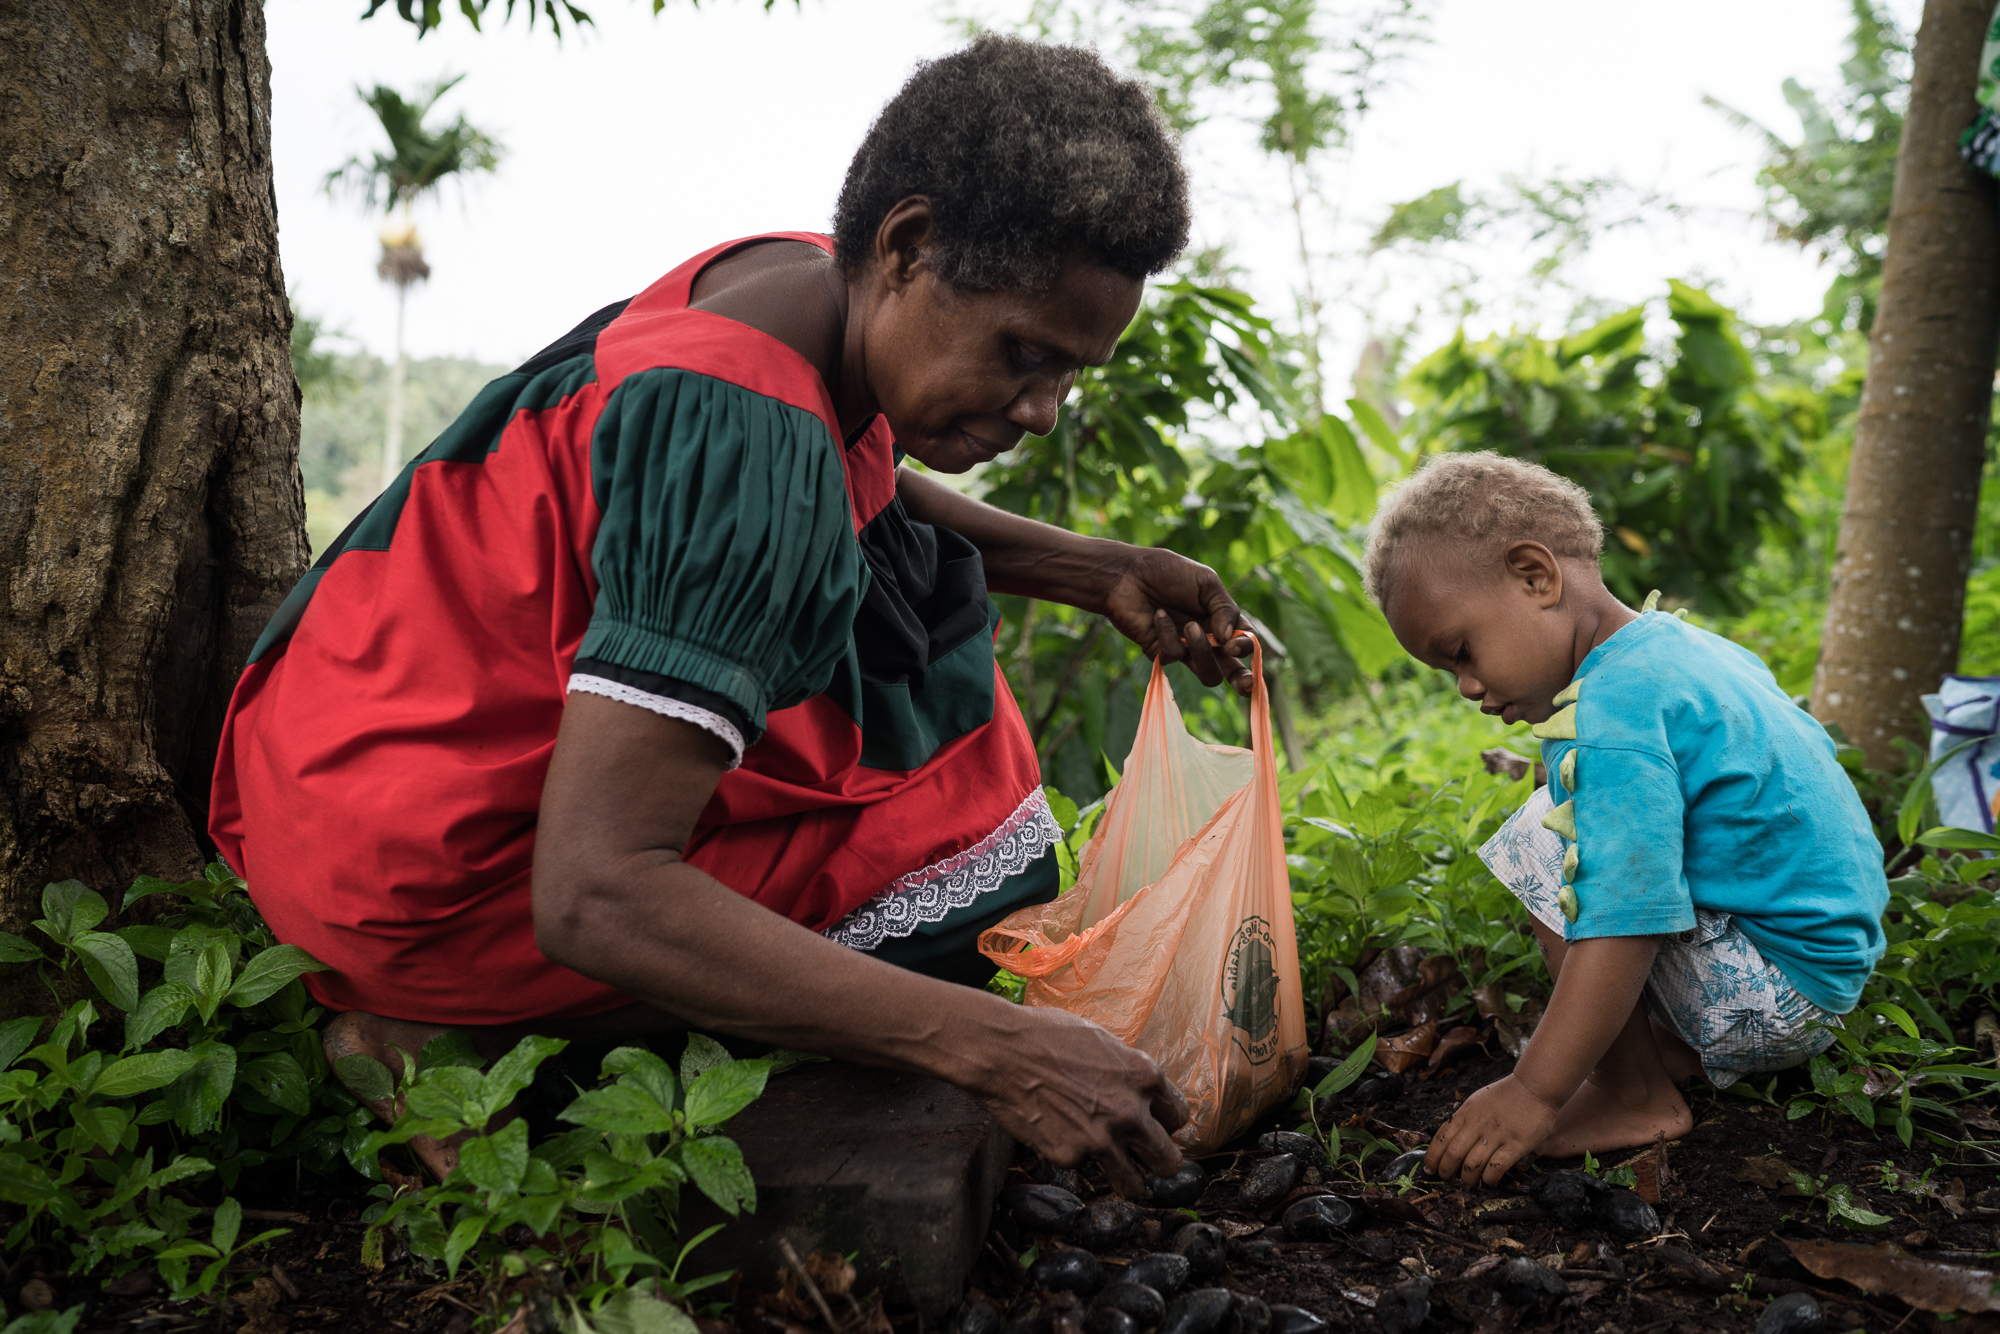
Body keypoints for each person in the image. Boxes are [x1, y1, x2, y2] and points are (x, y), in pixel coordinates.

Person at [209, 37, 1254, 1195]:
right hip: (430, 867)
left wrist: (1087, 567)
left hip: (341, 742)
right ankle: (457, 1039)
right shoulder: (746, 438)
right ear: (907, 247)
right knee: (960, 869)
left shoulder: (794, 284)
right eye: (1023, 356)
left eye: (1069, 375)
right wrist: (994, 1047)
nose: (1044, 410)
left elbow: (848, 474)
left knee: (945, 742)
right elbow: (596, 890)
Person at [1361, 452, 1888, 1186]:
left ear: (1535, 576)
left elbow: (1627, 919)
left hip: (1772, 994)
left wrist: (1532, 1092)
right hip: (1825, 967)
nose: (1468, 688)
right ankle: (1667, 1049)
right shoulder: (1677, 647)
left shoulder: (1612, 709)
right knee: (1567, 806)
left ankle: (1632, 1093)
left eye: (1461, 652)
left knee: (1541, 840)